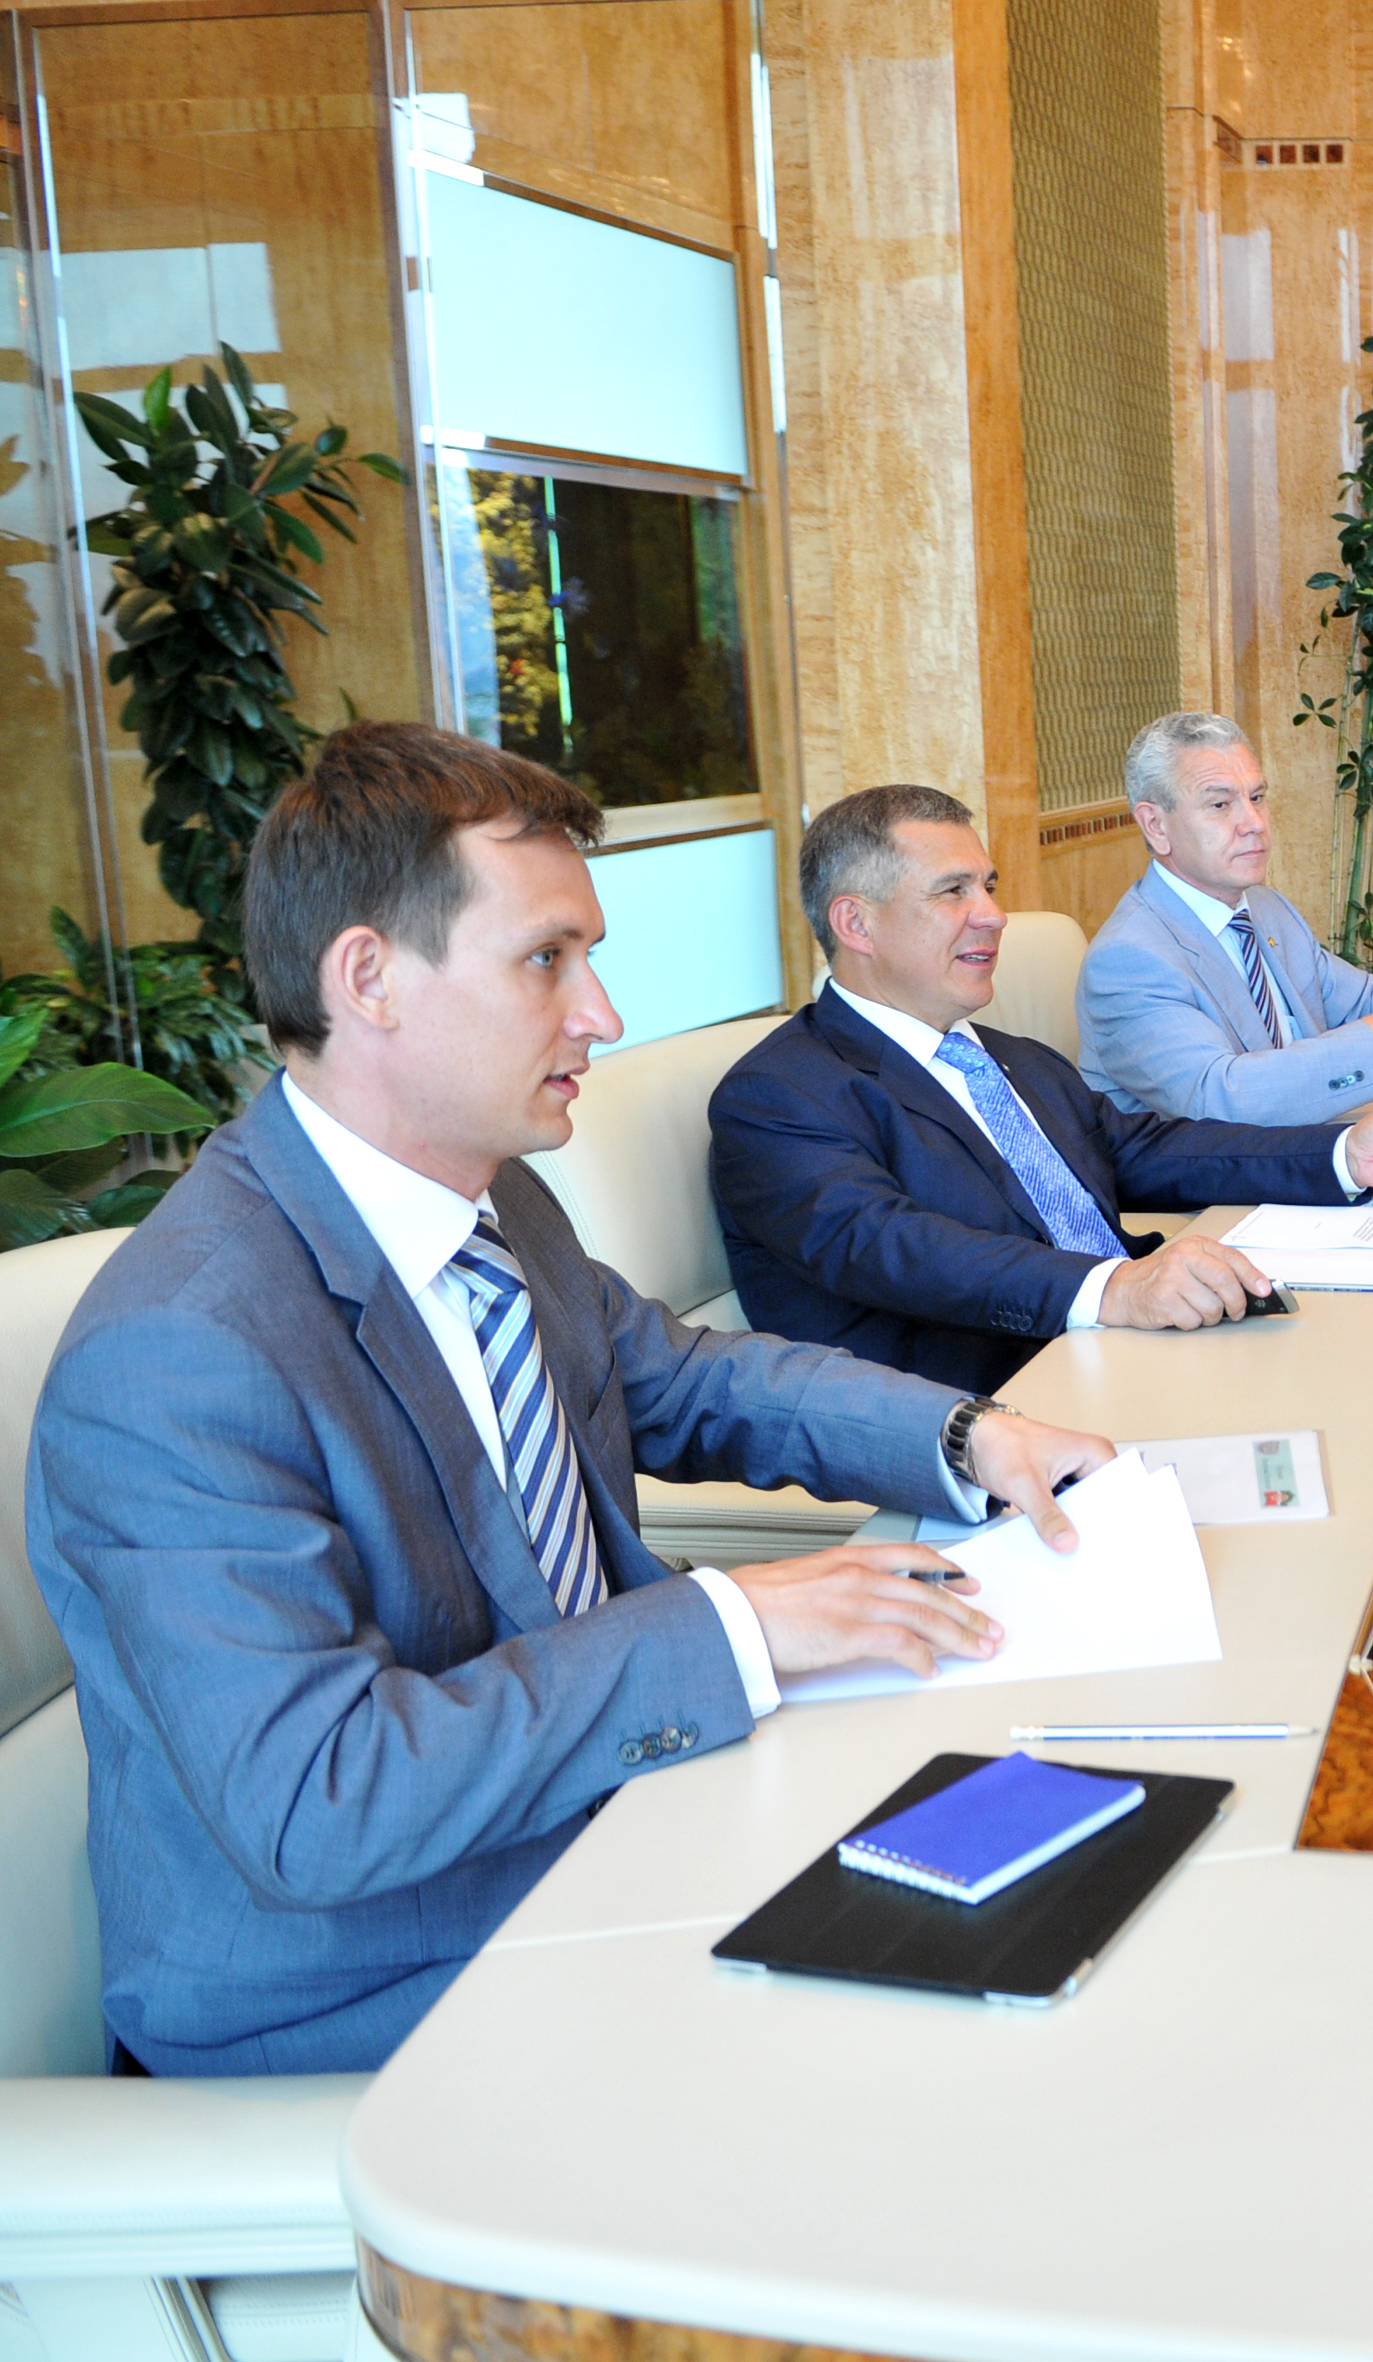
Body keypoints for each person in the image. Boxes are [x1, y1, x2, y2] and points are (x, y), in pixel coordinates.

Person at [25, 723, 1117, 2076]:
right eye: (547, 959)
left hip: (620, 1828)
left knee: (1063, 1858)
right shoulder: (181, 1346)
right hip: (379, 1990)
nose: (600, 1013)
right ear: (367, 978)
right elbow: (320, 1800)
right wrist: (733, 1626)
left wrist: (965, 1435)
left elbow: (688, 1375)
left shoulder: (495, 1198)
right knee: (968, 2036)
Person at [711, 785, 1373, 1394]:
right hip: (989, 1405)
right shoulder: (780, 1096)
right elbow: (898, 1250)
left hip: (1134, 1354)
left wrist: (1343, 1156)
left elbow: (1145, 1150)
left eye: (988, 886)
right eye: (952, 892)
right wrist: (1116, 1289)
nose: (992, 914)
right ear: (855, 923)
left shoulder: (1010, 1058)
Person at [1079, 712, 1373, 1124]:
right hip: (1216, 1180)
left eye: (1257, 797)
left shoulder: (1266, 909)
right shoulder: (1129, 958)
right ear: (1155, 826)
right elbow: (1223, 1098)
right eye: (1220, 805)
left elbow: (1359, 1002)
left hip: (1312, 1151)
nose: (1254, 822)